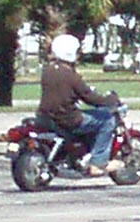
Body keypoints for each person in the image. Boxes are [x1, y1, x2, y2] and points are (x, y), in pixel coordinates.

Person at [38, 34, 124, 177]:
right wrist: (110, 100)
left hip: (46, 116)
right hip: (67, 119)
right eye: (78, 51)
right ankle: (98, 163)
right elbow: (89, 97)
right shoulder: (71, 76)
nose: (79, 55)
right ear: (71, 52)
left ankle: (82, 151)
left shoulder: (47, 71)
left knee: (90, 116)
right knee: (108, 120)